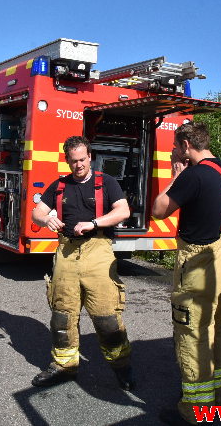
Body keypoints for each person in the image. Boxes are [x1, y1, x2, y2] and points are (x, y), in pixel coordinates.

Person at [151, 121, 221, 424]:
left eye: (176, 146)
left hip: (201, 261)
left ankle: (195, 412)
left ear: (187, 145)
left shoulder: (193, 175)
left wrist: (175, 177)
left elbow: (159, 209)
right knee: (214, 329)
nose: (174, 151)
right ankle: (215, 399)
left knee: (192, 334)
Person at [30, 136, 134, 390]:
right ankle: (64, 366)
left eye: (82, 160)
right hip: (66, 252)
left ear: (90, 157)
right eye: (73, 161)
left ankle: (122, 368)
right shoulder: (59, 185)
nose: (78, 165)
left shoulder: (106, 183)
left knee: (106, 317)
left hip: (97, 251)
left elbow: (123, 211)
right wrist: (46, 221)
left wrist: (94, 223)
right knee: (62, 315)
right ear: (67, 160)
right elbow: (36, 212)